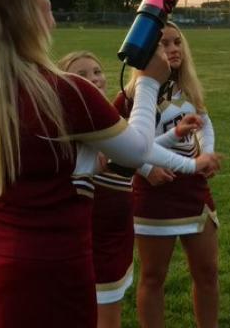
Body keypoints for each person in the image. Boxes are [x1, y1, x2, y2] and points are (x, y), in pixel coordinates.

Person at [0, 0, 220, 327]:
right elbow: (138, 148)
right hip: (49, 263)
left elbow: (41, 162)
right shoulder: (63, 90)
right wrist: (148, 82)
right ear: (27, 12)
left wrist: (92, 159)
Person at [59, 51, 205, 328]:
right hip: (94, 233)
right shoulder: (80, 122)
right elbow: (135, 154)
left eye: (97, 71)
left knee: (105, 308)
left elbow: (136, 150)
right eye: (81, 75)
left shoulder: (106, 119)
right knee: (101, 314)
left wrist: (174, 136)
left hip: (117, 229)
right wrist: (188, 166)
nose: (94, 79)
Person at [116, 22, 221, 328]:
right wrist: (146, 169)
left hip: (193, 192)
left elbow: (204, 121)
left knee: (207, 272)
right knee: (153, 276)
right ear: (147, 51)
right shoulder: (131, 95)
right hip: (154, 197)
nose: (173, 49)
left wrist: (206, 154)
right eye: (164, 44)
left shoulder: (187, 88)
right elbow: (118, 147)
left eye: (177, 42)